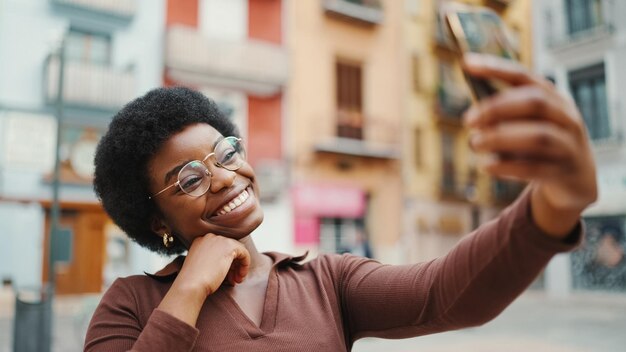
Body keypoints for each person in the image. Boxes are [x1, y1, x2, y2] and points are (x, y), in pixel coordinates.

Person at [84, 54, 597, 351]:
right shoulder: (131, 306)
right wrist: (191, 287)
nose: (223, 177)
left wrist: (555, 200)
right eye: (191, 178)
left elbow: (444, 292)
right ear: (154, 217)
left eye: (227, 152)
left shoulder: (326, 280)